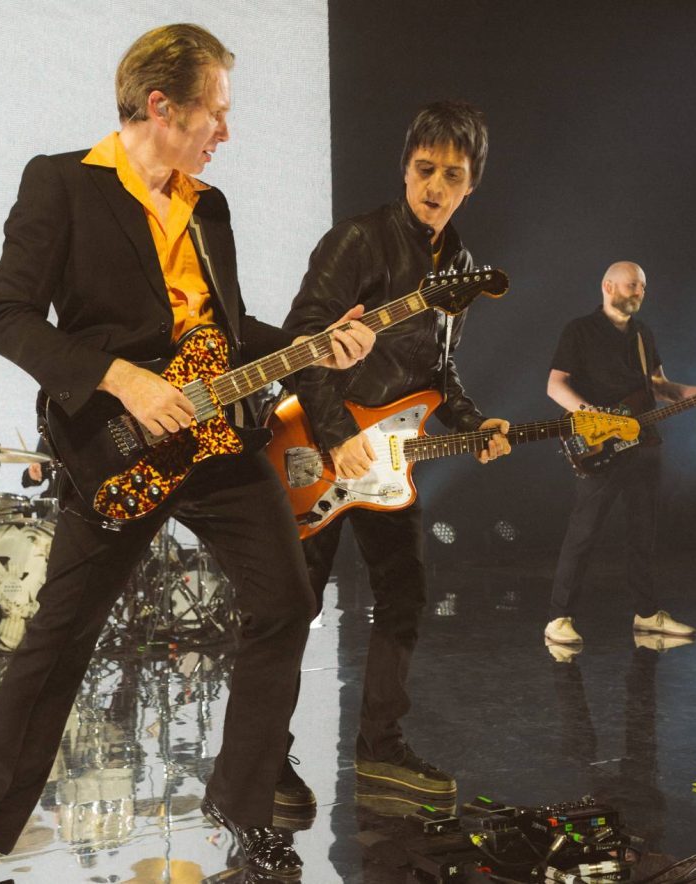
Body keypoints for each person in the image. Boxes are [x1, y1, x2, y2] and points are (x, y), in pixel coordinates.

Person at [0, 24, 374, 882]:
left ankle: (243, 809)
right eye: (214, 115)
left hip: (219, 443)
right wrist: (120, 379)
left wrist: (313, 345)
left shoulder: (208, 205)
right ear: (162, 106)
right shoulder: (63, 185)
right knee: (60, 639)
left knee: (285, 604)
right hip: (118, 447)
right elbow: (7, 316)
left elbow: (225, 337)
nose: (224, 132)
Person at [277, 100, 510, 814]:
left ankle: (380, 748)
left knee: (403, 596)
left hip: (384, 460)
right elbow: (298, 340)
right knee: (293, 608)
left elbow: (440, 374)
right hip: (316, 447)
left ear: (473, 184)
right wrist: (336, 431)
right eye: (424, 168)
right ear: (405, 168)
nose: (435, 185)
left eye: (452, 174)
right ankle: (262, 755)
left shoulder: (463, 268)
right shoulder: (358, 240)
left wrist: (476, 422)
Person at [543, 261, 696, 646]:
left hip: (645, 442)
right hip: (601, 446)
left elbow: (663, 388)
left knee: (642, 533)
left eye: (643, 287)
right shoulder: (580, 330)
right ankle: (558, 618)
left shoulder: (642, 334)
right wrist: (588, 415)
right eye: (633, 285)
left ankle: (647, 614)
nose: (639, 293)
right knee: (584, 533)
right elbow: (555, 385)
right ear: (608, 286)